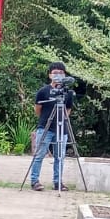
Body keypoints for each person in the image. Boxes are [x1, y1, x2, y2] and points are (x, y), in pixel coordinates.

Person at [31, 62, 76, 192]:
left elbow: (68, 109)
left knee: (60, 156)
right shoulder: (43, 91)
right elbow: (38, 109)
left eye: (61, 73)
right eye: (55, 73)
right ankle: (34, 181)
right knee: (39, 154)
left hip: (61, 128)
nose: (58, 75)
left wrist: (62, 118)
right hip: (45, 127)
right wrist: (47, 118)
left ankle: (58, 182)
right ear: (50, 75)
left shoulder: (68, 93)